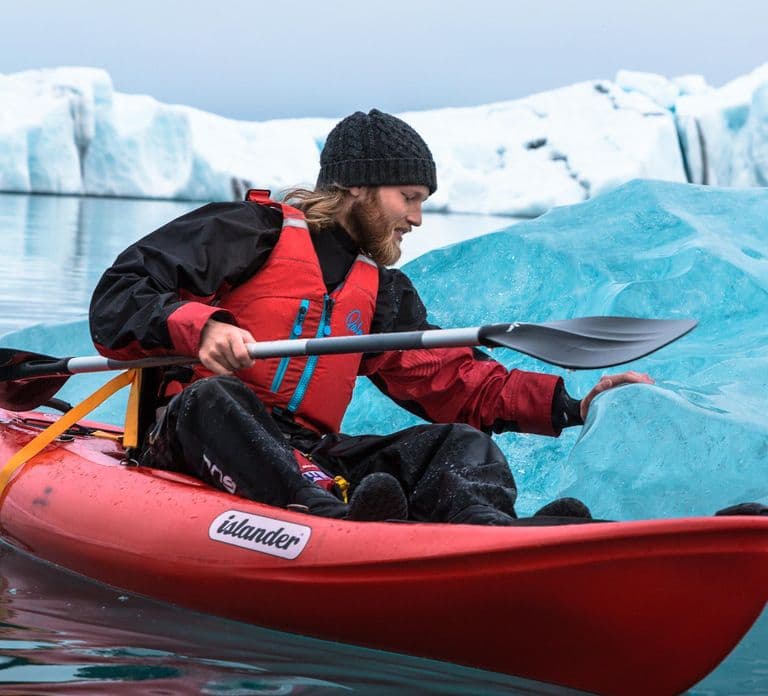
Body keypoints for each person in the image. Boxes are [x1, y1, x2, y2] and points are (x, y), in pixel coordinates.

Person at [89, 109, 651, 525]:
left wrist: (573, 405)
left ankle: (488, 528)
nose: (418, 217)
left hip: (306, 456)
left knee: (457, 445)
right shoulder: (244, 233)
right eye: (408, 197)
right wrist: (202, 325)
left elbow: (456, 381)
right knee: (214, 398)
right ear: (357, 184)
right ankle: (324, 517)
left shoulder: (380, 292)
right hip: (194, 438)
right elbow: (120, 295)